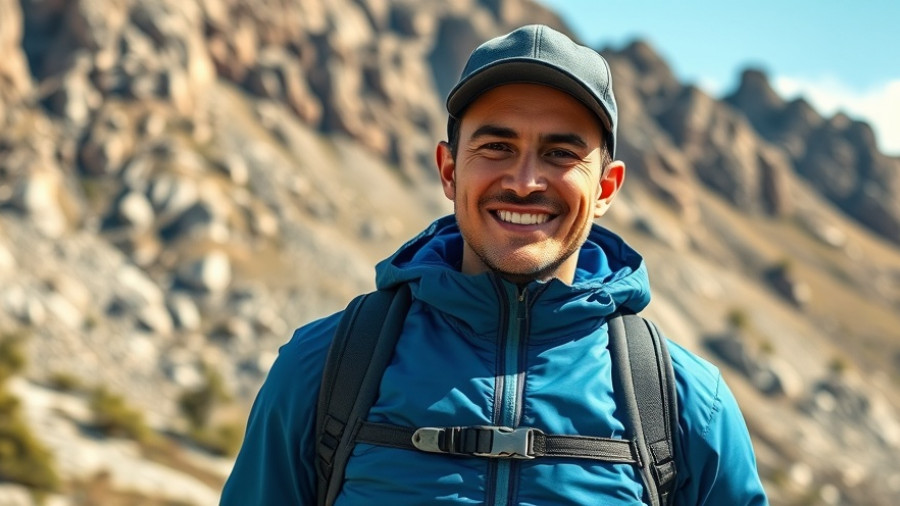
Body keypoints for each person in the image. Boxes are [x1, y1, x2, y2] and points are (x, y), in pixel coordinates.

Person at [220, 24, 768, 505]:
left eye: (560, 153)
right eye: (497, 147)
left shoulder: (687, 406)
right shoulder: (323, 370)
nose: (525, 182)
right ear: (449, 170)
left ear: (605, 187)